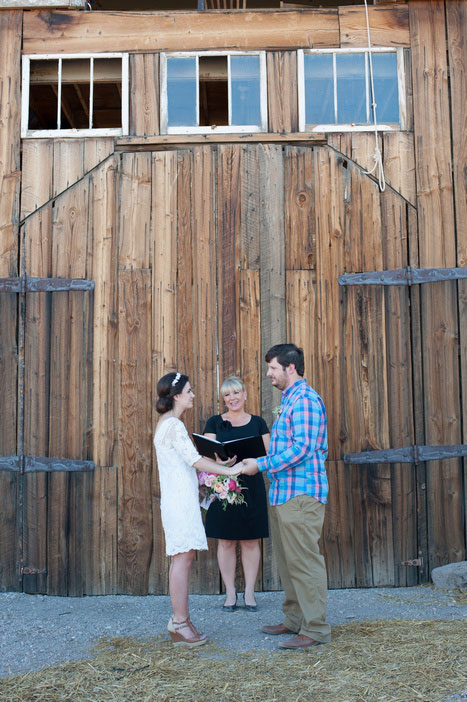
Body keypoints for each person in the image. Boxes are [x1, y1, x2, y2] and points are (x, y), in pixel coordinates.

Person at [241, 344, 331, 650]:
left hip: (302, 495)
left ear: (290, 368)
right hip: (284, 493)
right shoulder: (290, 401)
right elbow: (286, 448)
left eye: (273, 368)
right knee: (289, 561)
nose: (268, 374)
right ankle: (295, 620)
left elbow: (303, 448)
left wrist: (261, 464)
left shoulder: (305, 400)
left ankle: (315, 628)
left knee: (305, 561)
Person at [154, 371, 241, 647]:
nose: (193, 395)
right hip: (179, 502)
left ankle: (182, 619)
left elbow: (185, 464)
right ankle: (179, 622)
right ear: (177, 396)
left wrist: (214, 475)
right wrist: (230, 472)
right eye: (189, 391)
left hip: (180, 499)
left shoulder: (168, 423)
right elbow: (194, 461)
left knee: (183, 558)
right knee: (182, 559)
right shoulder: (173, 426)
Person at [204, 376, 270, 612]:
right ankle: (230, 592)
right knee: (226, 540)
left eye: (236, 393)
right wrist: (223, 461)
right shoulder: (214, 422)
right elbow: (208, 452)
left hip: (251, 484)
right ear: (224, 399)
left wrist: (248, 462)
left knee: (251, 540)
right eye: (227, 395)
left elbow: (268, 454)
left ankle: (249, 592)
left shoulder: (259, 422)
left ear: (245, 395)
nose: (232, 398)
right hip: (224, 485)